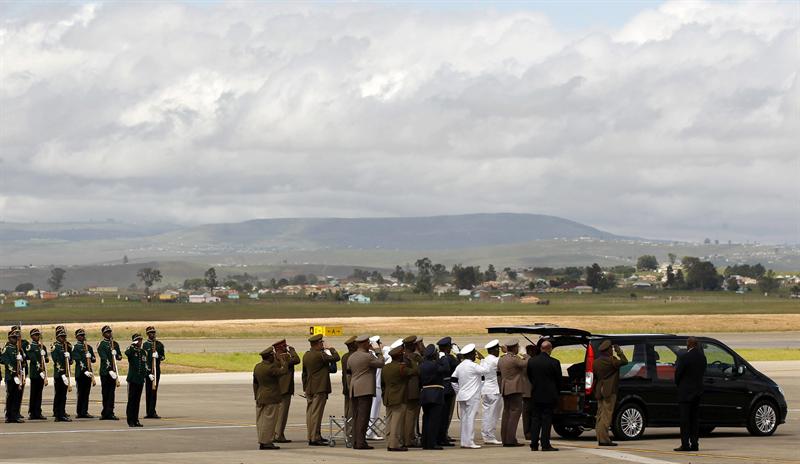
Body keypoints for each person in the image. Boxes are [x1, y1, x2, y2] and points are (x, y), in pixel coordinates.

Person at [347, 334, 386, 450]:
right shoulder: (367, 357)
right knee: (363, 417)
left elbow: (348, 375)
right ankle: (360, 443)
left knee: (356, 416)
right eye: (368, 342)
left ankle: (355, 441)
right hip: (365, 389)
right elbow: (381, 363)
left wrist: (351, 387)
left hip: (354, 389)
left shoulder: (352, 357)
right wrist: (378, 351)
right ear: (363, 344)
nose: (370, 344)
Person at [301, 333, 340, 446]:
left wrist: (305, 387)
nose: (322, 345)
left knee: (310, 413)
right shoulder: (320, 355)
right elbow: (336, 358)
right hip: (319, 388)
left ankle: (314, 435)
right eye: (321, 343)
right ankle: (314, 438)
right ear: (317, 344)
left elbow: (304, 373)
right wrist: (330, 348)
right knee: (316, 414)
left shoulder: (306, 355)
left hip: (310, 388)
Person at [451, 343, 491, 449]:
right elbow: (486, 370)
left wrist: (458, 391)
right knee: (470, 418)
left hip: (462, 396)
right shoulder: (473, 366)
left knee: (464, 419)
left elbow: (453, 380)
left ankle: (465, 441)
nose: (475, 356)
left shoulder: (460, 366)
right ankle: (470, 441)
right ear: (471, 355)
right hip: (472, 396)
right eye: (474, 354)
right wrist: (483, 359)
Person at [382, 343, 417, 451]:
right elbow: (416, 371)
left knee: (389, 421)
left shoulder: (386, 367)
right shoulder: (401, 368)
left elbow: (382, 383)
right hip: (399, 397)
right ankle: (394, 444)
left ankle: (389, 442)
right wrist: (411, 360)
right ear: (399, 356)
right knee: (396, 423)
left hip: (388, 397)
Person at [527, 340, 561, 452]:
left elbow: (530, 377)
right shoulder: (554, 362)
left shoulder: (532, 361)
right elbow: (558, 380)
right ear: (549, 349)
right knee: (546, 420)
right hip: (549, 395)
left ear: (541, 348)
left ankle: (534, 444)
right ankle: (545, 444)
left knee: (535, 419)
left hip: (536, 394)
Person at [674, 337, 707, 452]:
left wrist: (679, 385)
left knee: (685, 420)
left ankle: (685, 444)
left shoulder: (685, 357)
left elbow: (678, 374)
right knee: (694, 420)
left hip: (685, 393)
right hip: (697, 392)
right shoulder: (702, 358)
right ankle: (695, 443)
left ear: (688, 344)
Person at [594, 340, 628, 446]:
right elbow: (624, 361)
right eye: (611, 349)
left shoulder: (596, 362)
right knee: (607, 415)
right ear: (608, 350)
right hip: (609, 390)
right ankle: (604, 440)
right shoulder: (611, 361)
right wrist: (618, 350)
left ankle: (600, 438)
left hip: (599, 390)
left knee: (599, 415)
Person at [253, 345, 288, 450]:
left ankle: (262, 440)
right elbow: (283, 372)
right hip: (271, 397)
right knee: (269, 421)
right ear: (269, 356)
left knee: (261, 420)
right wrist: (283, 361)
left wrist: (256, 395)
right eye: (272, 355)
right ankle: (266, 442)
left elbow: (255, 383)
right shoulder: (271, 368)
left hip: (260, 396)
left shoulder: (257, 366)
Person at [498, 338, 529, 446]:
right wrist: (526, 355)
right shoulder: (514, 359)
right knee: (515, 414)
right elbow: (526, 364)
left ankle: (505, 439)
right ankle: (511, 440)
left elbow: (498, 374)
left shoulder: (501, 359)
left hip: (505, 388)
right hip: (515, 389)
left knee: (506, 413)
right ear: (514, 347)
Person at [419, 344, 446, 450]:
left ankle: (425, 442)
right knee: (434, 420)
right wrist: (442, 357)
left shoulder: (422, 365)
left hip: (425, 393)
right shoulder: (435, 365)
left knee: (427, 418)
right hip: (435, 394)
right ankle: (432, 443)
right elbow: (446, 369)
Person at [273, 340, 300, 443]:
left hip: (278, 389)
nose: (286, 347)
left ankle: (276, 433)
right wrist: (292, 350)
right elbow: (297, 360)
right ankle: (279, 435)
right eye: (285, 346)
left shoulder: (274, 357)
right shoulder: (285, 357)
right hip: (285, 389)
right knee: (282, 414)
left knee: (277, 413)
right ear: (281, 347)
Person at [97, 325, 122, 420]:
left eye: (110, 332)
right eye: (107, 332)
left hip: (114, 372)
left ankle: (110, 411)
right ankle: (105, 412)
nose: (109, 334)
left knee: (112, 392)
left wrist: (117, 355)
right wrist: (109, 370)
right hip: (105, 372)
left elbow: (119, 357)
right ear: (103, 334)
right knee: (105, 392)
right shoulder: (101, 344)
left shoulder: (115, 344)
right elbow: (104, 358)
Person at [437, 336, 459, 446]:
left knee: (442, 414)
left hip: (440, 388)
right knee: (445, 415)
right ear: (447, 347)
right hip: (448, 389)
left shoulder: (437, 357)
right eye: (450, 346)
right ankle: (442, 436)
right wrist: (459, 354)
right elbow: (458, 366)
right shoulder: (448, 358)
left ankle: (442, 435)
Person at [481, 339, 503, 445]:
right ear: (494, 350)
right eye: (497, 349)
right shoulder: (496, 360)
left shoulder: (485, 359)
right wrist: (507, 352)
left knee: (486, 414)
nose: (499, 351)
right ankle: (490, 436)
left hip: (485, 389)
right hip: (494, 390)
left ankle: (485, 434)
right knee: (493, 414)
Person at [402, 335, 423, 447]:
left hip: (404, 390)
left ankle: (406, 437)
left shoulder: (402, 356)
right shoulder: (415, 357)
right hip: (413, 390)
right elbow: (420, 370)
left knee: (406, 416)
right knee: (411, 416)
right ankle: (409, 439)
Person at [366, 336, 388, 441]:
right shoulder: (376, 356)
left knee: (371, 410)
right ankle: (370, 432)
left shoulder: (370, 355)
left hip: (372, 386)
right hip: (376, 387)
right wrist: (379, 349)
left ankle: (369, 431)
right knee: (374, 411)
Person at [71, 328, 96, 419]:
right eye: (81, 335)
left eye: (83, 335)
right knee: (81, 393)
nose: (83, 337)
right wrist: (84, 370)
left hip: (88, 373)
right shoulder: (75, 347)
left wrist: (91, 357)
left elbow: (93, 359)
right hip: (81, 373)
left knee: (86, 393)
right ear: (77, 337)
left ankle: (84, 411)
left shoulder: (89, 347)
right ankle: (79, 412)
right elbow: (78, 359)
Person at [125, 333, 149, 427]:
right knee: (131, 400)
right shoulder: (131, 350)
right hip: (132, 379)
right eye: (138, 340)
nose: (140, 342)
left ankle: (136, 420)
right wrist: (132, 345)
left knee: (137, 401)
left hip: (140, 380)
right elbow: (127, 353)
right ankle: (130, 420)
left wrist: (147, 374)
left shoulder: (143, 352)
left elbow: (144, 365)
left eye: (140, 340)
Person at [1, 329, 25, 423]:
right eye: (13, 338)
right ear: (9, 338)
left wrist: (22, 359)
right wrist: (14, 372)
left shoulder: (18, 349)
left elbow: (22, 362)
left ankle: (15, 415)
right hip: (10, 376)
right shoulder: (7, 348)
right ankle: (9, 415)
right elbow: (4, 360)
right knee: (10, 396)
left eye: (16, 338)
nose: (15, 340)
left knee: (16, 396)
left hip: (18, 376)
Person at [26, 328, 49, 420]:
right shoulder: (30, 347)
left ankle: (38, 412)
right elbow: (33, 359)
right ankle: (32, 413)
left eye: (38, 335)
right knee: (34, 393)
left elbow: (46, 360)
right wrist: (40, 369)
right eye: (35, 335)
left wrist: (45, 356)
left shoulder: (43, 347)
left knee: (39, 393)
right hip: (35, 373)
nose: (37, 336)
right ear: (31, 336)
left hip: (41, 373)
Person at [143, 326, 165, 419]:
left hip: (156, 370)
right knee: (148, 391)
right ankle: (148, 411)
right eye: (150, 333)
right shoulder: (145, 345)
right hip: (148, 371)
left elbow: (163, 357)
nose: (153, 334)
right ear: (147, 334)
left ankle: (153, 411)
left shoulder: (159, 344)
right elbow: (143, 358)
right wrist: (147, 371)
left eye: (153, 332)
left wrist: (158, 356)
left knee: (154, 391)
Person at [51, 328, 72, 422]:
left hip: (66, 373)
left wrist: (69, 357)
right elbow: (56, 361)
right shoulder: (55, 346)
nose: (63, 338)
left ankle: (61, 412)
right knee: (60, 394)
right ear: (57, 337)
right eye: (61, 337)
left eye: (64, 337)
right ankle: (59, 414)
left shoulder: (66, 346)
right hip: (59, 374)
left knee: (63, 395)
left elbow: (69, 362)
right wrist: (62, 374)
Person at [340, 335, 357, 443]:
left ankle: (349, 433)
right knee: (352, 412)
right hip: (353, 388)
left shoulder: (345, 356)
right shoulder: (353, 357)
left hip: (347, 387)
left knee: (348, 411)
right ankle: (350, 434)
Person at [10, 325, 29, 421]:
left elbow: (28, 355)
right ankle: (11, 413)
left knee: (19, 393)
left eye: (18, 332)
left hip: (23, 370)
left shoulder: (24, 343)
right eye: (15, 332)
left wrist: (24, 354)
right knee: (12, 394)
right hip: (13, 373)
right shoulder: (9, 346)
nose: (17, 334)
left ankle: (17, 411)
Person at [522, 344, 537, 440]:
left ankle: (530, 432)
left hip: (527, 390)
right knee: (528, 413)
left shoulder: (526, 361)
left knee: (528, 412)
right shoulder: (527, 361)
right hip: (529, 391)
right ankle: (528, 432)